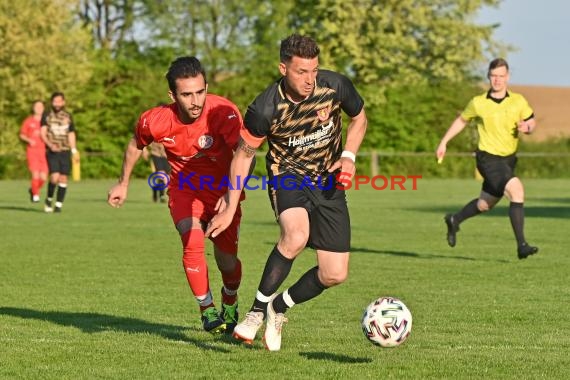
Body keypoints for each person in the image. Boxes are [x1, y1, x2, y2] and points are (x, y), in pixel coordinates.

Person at [206, 34, 368, 351]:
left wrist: (348, 156)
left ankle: (277, 308)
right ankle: (255, 312)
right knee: (295, 236)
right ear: (283, 68)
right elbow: (243, 156)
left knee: (334, 273)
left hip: (329, 181)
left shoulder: (335, 85)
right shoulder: (265, 107)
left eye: (313, 71)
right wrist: (229, 205)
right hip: (288, 177)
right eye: (301, 72)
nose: (310, 80)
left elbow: (359, 118)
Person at [107, 56, 249, 334]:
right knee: (192, 240)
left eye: (200, 91)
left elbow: (246, 155)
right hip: (184, 189)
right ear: (172, 95)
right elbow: (136, 144)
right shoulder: (155, 120)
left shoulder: (224, 112)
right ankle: (207, 310)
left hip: (223, 190)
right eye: (186, 94)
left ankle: (229, 301)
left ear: (207, 86)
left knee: (226, 260)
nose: (195, 101)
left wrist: (232, 194)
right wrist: (123, 183)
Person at [436, 58, 539, 260]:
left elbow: (531, 121)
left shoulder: (518, 100)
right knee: (516, 190)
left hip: (508, 159)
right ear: (488, 77)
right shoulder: (478, 103)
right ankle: (522, 245)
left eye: (501, 76)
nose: (497, 80)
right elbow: (461, 120)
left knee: (486, 204)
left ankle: (454, 219)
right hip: (487, 158)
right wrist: (444, 141)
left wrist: (528, 128)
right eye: (494, 76)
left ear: (507, 77)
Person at [40, 92, 78, 213]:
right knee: (54, 177)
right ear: (52, 102)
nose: (57, 104)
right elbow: (43, 133)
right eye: (55, 101)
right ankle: (49, 199)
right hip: (52, 151)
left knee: (63, 178)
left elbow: (71, 134)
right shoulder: (46, 115)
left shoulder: (68, 116)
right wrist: (50, 145)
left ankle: (58, 205)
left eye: (59, 101)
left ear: (63, 102)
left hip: (65, 151)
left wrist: (74, 150)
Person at [19, 100, 48, 202]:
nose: (39, 108)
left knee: (43, 178)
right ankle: (36, 195)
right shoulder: (28, 121)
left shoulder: (47, 121)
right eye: (37, 106)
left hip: (44, 152)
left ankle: (33, 190)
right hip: (32, 151)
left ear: (44, 108)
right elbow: (22, 134)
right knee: (35, 174)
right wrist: (29, 140)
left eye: (41, 106)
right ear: (33, 108)